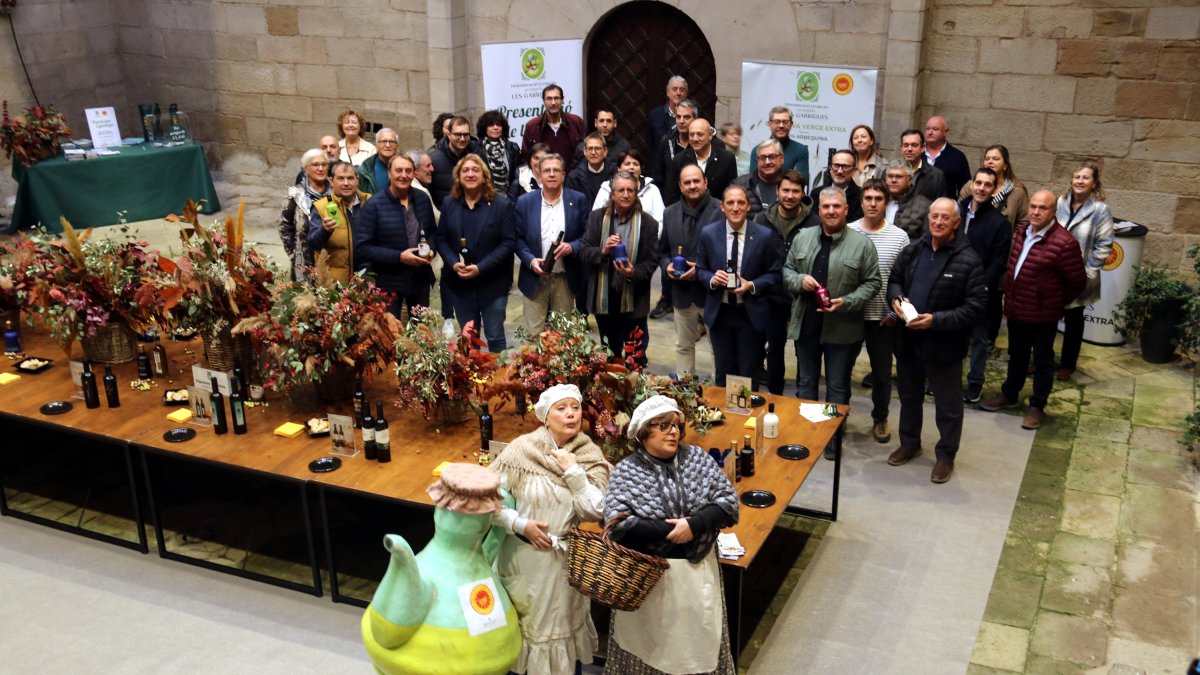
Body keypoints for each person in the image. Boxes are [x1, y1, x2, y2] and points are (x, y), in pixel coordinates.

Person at [603, 395, 739, 675]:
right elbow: (618, 525)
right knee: (650, 651)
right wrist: (673, 531)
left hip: (697, 573)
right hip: (649, 579)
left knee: (697, 648)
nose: (673, 431)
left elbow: (728, 503)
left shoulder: (697, 459)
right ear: (643, 432)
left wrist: (695, 525)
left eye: (676, 425)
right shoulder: (627, 471)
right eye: (663, 426)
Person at [490, 384, 612, 675]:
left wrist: (574, 473)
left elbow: (597, 511)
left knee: (564, 632)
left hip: (565, 565)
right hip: (524, 559)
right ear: (545, 417)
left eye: (575, 407)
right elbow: (482, 498)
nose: (570, 415)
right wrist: (519, 524)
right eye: (561, 408)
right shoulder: (521, 451)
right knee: (525, 634)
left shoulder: (588, 455)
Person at [885, 198, 987, 483]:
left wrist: (937, 320)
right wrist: (895, 299)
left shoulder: (969, 260)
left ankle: (945, 456)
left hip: (944, 346)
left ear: (956, 222)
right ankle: (909, 443)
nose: (938, 222)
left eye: (945, 218)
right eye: (934, 217)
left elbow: (976, 307)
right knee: (908, 396)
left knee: (948, 405)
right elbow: (894, 280)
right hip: (908, 340)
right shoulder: (914, 249)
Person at [784, 187, 881, 459]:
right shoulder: (803, 238)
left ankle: (831, 433)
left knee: (837, 387)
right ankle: (808, 433)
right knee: (806, 383)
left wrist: (847, 301)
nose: (831, 211)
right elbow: (787, 271)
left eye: (836, 207)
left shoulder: (862, 244)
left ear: (847, 209)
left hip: (842, 328)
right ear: (819, 210)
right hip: (806, 326)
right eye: (826, 207)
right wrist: (798, 281)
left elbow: (873, 283)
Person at [980, 190, 1086, 430]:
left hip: (1043, 314)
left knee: (1043, 361)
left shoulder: (1064, 242)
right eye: (1034, 207)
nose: (1036, 212)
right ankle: (1010, 394)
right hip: (1017, 308)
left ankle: (1037, 406)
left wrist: (1052, 300)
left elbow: (1077, 282)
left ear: (1053, 212)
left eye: (1043, 208)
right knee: (1016, 356)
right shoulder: (1022, 231)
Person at [696, 184, 784, 390]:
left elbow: (775, 273)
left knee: (748, 374)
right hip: (720, 313)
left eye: (740, 203)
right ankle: (723, 419)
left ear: (748, 207)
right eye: (730, 203)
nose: (736, 208)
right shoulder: (708, 234)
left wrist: (751, 285)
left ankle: (747, 420)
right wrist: (712, 278)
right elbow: (700, 269)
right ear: (723, 208)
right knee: (723, 374)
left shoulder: (764, 236)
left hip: (749, 314)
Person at [848, 179, 910, 442]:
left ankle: (880, 418)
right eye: (868, 198)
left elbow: (906, 281)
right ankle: (836, 419)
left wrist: (896, 314)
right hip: (849, 317)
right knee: (839, 374)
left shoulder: (900, 237)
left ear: (887, 203)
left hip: (883, 319)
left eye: (878, 199)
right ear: (861, 202)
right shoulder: (846, 231)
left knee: (882, 375)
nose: (872, 203)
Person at [434, 154, 516, 352]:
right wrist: (453, 263)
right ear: (458, 177)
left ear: (485, 176)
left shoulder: (501, 205)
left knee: (495, 337)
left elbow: (508, 243)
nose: (470, 174)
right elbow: (442, 239)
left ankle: (499, 380)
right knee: (468, 340)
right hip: (460, 285)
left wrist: (480, 268)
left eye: (475, 170)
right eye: (465, 170)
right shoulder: (449, 203)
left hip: (493, 285)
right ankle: (472, 381)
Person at [577, 171, 659, 363]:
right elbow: (584, 251)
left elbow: (652, 262)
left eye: (630, 190)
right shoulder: (597, 218)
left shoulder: (648, 224)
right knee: (610, 355)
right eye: (620, 190)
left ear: (636, 193)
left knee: (635, 357)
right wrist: (603, 251)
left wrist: (633, 272)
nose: (625, 194)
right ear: (612, 194)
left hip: (633, 299)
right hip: (604, 298)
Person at [958, 144, 1029, 350]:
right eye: (987, 158)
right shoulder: (970, 186)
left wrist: (1011, 241)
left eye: (995, 158)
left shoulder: (1016, 192)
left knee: (992, 297)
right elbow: (960, 212)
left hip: (998, 252)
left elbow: (1023, 223)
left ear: (1005, 165)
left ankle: (987, 338)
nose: (990, 161)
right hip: (969, 248)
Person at [756, 170, 819, 395]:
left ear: (803, 193)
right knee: (774, 350)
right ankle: (776, 396)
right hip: (771, 296)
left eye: (795, 191)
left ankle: (804, 397)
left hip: (803, 297)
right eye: (786, 190)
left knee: (804, 352)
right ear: (777, 191)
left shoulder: (814, 222)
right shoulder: (761, 219)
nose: (790, 196)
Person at [354, 154, 438, 319]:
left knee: (421, 333)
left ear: (414, 173)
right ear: (389, 174)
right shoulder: (374, 205)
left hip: (420, 279)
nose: (404, 175)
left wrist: (432, 251)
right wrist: (399, 257)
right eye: (398, 170)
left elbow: (433, 233)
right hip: (389, 282)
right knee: (391, 334)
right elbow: (363, 248)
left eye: (408, 171)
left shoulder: (422, 199)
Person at [514, 153, 589, 337]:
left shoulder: (578, 200)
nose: (552, 174)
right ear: (539, 175)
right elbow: (517, 238)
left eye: (556, 170)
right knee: (533, 336)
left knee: (562, 337)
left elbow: (587, 236)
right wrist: (530, 260)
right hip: (534, 278)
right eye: (547, 170)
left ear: (564, 174)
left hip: (565, 277)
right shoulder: (525, 202)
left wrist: (572, 247)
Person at [659, 164, 722, 377]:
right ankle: (686, 393)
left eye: (697, 181)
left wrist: (703, 270)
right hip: (681, 293)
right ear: (680, 186)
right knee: (683, 346)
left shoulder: (721, 210)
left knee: (718, 349)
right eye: (687, 182)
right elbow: (663, 251)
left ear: (705, 182)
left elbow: (727, 253)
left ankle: (717, 392)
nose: (692, 186)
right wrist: (666, 265)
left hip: (713, 293)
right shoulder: (669, 213)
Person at [1056, 162, 1114, 381]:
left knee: (1074, 319)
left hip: (1079, 277)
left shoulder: (1100, 210)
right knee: (1046, 319)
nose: (1080, 181)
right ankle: (1042, 358)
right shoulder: (1060, 202)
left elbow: (1105, 244)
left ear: (1094, 184)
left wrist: (1088, 272)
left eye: (1085, 178)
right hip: (1054, 274)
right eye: (1077, 176)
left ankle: (1067, 364)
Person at [959, 168, 1013, 404]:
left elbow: (999, 262)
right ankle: (947, 379)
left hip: (979, 292)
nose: (981, 188)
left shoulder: (999, 223)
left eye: (987, 184)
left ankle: (975, 383)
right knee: (950, 337)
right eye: (978, 183)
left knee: (978, 340)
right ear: (972, 184)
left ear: (993, 189)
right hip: (951, 286)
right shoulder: (955, 211)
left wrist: (979, 286)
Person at [308, 160, 370, 285]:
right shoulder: (322, 206)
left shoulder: (370, 202)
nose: (346, 183)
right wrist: (324, 231)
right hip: (335, 283)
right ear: (332, 181)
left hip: (367, 279)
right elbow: (313, 244)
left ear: (357, 180)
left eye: (350, 178)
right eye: (340, 178)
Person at [279, 148, 331, 283]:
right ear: (306, 169)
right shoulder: (295, 195)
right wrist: (294, 255)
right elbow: (284, 226)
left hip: (331, 259)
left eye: (324, 164)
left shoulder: (334, 194)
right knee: (305, 299)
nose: (320, 168)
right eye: (315, 165)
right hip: (303, 259)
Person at [663, 118, 738, 206]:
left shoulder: (727, 159)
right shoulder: (679, 160)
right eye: (691, 135)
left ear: (710, 136)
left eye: (700, 134)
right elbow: (672, 196)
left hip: (717, 213)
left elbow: (731, 193)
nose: (695, 139)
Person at [520, 83, 587, 168]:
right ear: (544, 101)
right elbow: (526, 157)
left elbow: (586, 153)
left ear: (562, 100)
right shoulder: (532, 126)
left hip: (572, 178)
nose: (553, 102)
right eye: (549, 98)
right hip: (543, 178)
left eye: (556, 98)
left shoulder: (576, 123)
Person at [592, 149, 665, 225]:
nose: (631, 167)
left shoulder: (653, 190)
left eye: (636, 164)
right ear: (619, 169)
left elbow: (660, 221)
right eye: (627, 164)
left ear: (640, 169)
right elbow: (596, 220)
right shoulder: (606, 189)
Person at [749, 106, 811, 184]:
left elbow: (801, 181)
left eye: (785, 122)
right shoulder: (758, 150)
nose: (781, 125)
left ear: (791, 125)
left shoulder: (800, 150)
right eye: (777, 122)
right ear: (769, 124)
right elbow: (754, 181)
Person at [430, 116, 481, 206]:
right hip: (446, 214)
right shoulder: (434, 159)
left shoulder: (478, 155)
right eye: (458, 134)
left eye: (466, 135)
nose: (462, 139)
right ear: (449, 134)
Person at [476, 110, 522, 201]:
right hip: (485, 198)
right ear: (484, 128)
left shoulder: (512, 148)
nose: (495, 128)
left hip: (508, 198)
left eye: (499, 125)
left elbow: (517, 176)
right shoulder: (477, 149)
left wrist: (511, 197)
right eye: (491, 125)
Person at [652, 99, 696, 191]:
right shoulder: (666, 141)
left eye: (686, 117)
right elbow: (660, 174)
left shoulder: (702, 142)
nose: (681, 121)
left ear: (695, 119)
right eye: (678, 117)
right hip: (673, 199)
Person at [809, 149, 865, 222]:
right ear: (830, 168)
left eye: (845, 166)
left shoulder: (861, 196)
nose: (839, 171)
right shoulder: (816, 193)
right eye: (836, 165)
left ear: (854, 170)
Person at [885, 160, 933, 241]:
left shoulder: (924, 205)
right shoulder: (878, 200)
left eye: (899, 177)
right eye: (890, 176)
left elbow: (926, 238)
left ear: (910, 180)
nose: (893, 180)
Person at [924, 115, 971, 198]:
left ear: (946, 132)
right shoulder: (916, 153)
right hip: (916, 208)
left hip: (944, 208)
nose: (930, 132)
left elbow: (965, 190)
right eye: (927, 129)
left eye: (935, 129)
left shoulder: (957, 157)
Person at [572, 105, 629, 171]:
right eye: (601, 121)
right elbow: (575, 173)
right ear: (596, 123)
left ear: (615, 123)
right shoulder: (583, 146)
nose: (605, 125)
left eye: (609, 121)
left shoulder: (624, 146)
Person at [736, 139, 784, 216]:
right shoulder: (740, 184)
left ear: (782, 159)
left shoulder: (790, 185)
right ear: (757, 160)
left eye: (772, 157)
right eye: (762, 158)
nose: (767, 162)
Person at [566, 132, 614, 208]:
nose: (593, 152)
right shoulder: (574, 177)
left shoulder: (615, 174)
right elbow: (571, 206)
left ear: (605, 152)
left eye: (597, 148)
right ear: (585, 151)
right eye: (590, 148)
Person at [899, 128, 947, 203]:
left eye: (914, 145)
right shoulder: (889, 173)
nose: (909, 149)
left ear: (923, 148)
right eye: (906, 145)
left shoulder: (936, 176)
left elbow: (940, 206)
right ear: (901, 148)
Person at [648, 75, 689, 152]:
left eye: (682, 89)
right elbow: (651, 143)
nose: (678, 93)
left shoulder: (694, 115)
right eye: (674, 89)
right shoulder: (655, 115)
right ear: (667, 92)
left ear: (686, 94)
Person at [355, 127, 400, 195]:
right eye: (384, 141)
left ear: (397, 146)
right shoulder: (365, 169)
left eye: (391, 142)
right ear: (376, 145)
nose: (387, 145)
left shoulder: (405, 168)